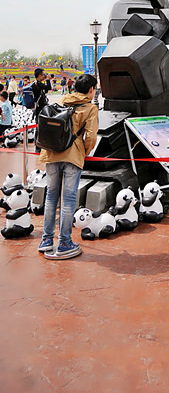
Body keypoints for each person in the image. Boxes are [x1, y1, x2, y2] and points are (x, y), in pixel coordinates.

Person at [38, 73, 99, 259]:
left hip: (51, 153)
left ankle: (46, 240)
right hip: (72, 156)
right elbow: (91, 137)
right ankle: (64, 242)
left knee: (51, 196)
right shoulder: (90, 108)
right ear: (91, 90)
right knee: (69, 198)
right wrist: (84, 152)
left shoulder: (60, 101)